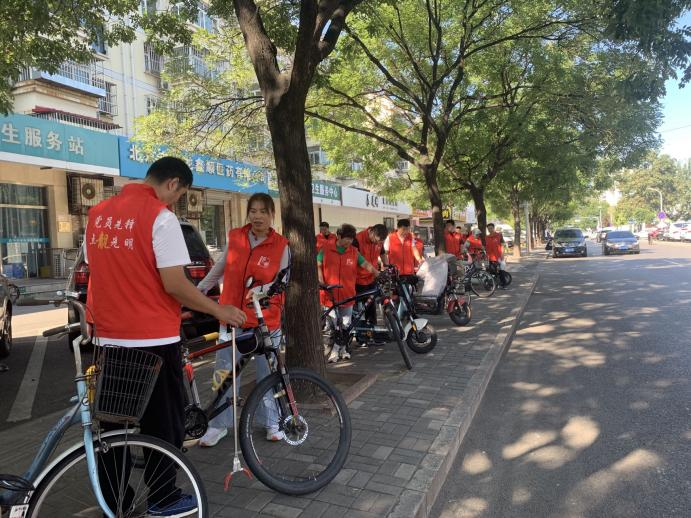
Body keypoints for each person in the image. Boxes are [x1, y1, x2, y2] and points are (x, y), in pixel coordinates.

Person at [85, 156, 246, 516]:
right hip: (153, 341)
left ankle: (115, 501)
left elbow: (98, 272)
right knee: (163, 425)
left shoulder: (98, 214)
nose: (176, 201)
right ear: (173, 183)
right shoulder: (161, 217)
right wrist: (218, 310)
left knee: (113, 428)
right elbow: (174, 283)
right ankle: (163, 498)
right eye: (180, 194)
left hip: (109, 339)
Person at [196, 192, 290, 447]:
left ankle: (272, 422)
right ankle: (217, 425)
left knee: (268, 373)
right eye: (253, 211)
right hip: (231, 318)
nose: (257, 216)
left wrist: (263, 290)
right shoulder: (236, 237)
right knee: (224, 373)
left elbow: (282, 281)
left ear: (272, 215)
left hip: (265, 322)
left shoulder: (281, 245)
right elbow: (219, 268)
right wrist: (198, 292)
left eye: (263, 211)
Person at [318, 224, 380, 362]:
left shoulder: (353, 251)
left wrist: (377, 273)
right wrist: (321, 281)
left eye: (352, 239)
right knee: (333, 326)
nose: (350, 242)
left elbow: (365, 264)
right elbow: (318, 264)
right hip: (330, 295)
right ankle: (333, 352)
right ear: (339, 236)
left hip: (348, 294)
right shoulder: (326, 248)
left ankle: (343, 349)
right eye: (347, 238)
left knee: (346, 325)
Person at [353, 224, 388, 327]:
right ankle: (355, 330)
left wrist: (386, 266)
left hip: (371, 278)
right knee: (355, 309)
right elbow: (359, 260)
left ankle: (371, 328)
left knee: (370, 305)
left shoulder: (379, 240)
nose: (377, 243)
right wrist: (375, 272)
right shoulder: (357, 239)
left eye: (380, 242)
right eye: (376, 240)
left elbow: (382, 253)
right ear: (371, 232)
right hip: (357, 279)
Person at [486, 223, 508, 288]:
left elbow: (503, 245)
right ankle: (494, 284)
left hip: (498, 256)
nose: (490, 230)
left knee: (501, 270)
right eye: (488, 229)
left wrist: (502, 254)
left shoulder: (499, 235)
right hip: (490, 257)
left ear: (494, 228)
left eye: (491, 228)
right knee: (492, 271)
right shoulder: (487, 237)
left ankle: (504, 284)